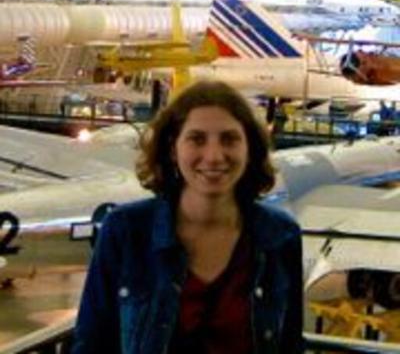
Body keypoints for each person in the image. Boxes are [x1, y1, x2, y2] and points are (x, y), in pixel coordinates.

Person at [71, 80, 303, 354]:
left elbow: (289, 344)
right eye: (197, 139)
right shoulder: (126, 231)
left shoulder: (279, 235)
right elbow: (92, 344)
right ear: (173, 149)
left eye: (229, 139)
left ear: (249, 149)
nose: (214, 156)